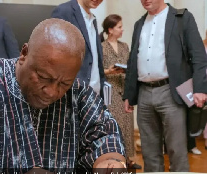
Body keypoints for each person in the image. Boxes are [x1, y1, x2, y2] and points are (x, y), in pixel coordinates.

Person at [0, 18, 126, 174]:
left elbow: (104, 134)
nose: (52, 91)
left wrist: (110, 161)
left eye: (64, 83)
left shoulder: (78, 93)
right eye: (43, 77)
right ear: (24, 53)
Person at [123, 0, 207, 172]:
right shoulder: (140, 23)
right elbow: (133, 60)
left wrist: (200, 89)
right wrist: (129, 95)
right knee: (149, 152)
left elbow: (198, 56)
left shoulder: (181, 18)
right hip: (144, 93)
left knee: (176, 150)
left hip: (171, 92)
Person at [101, 14, 141, 169]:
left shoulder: (124, 46)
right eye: (119, 27)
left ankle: (129, 159)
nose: (122, 29)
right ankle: (116, 159)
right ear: (110, 30)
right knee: (115, 126)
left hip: (125, 90)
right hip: (110, 92)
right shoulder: (102, 47)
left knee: (128, 126)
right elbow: (98, 70)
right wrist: (109, 71)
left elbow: (131, 65)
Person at [51, 0, 106, 98]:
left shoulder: (92, 19)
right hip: (73, 93)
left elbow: (95, 58)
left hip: (95, 92)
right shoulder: (64, 12)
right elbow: (55, 53)